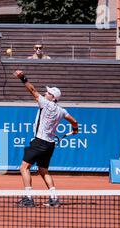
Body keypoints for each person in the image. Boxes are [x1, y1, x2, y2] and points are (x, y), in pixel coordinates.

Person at [13, 70, 78, 207]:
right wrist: (75, 130)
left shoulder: (45, 103)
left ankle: (28, 198)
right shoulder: (62, 111)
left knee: (24, 168)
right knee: (43, 170)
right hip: (50, 145)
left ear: (53, 97)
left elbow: (32, 90)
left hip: (39, 141)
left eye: (48, 93)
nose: (45, 94)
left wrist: (23, 78)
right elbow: (74, 121)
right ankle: (54, 198)